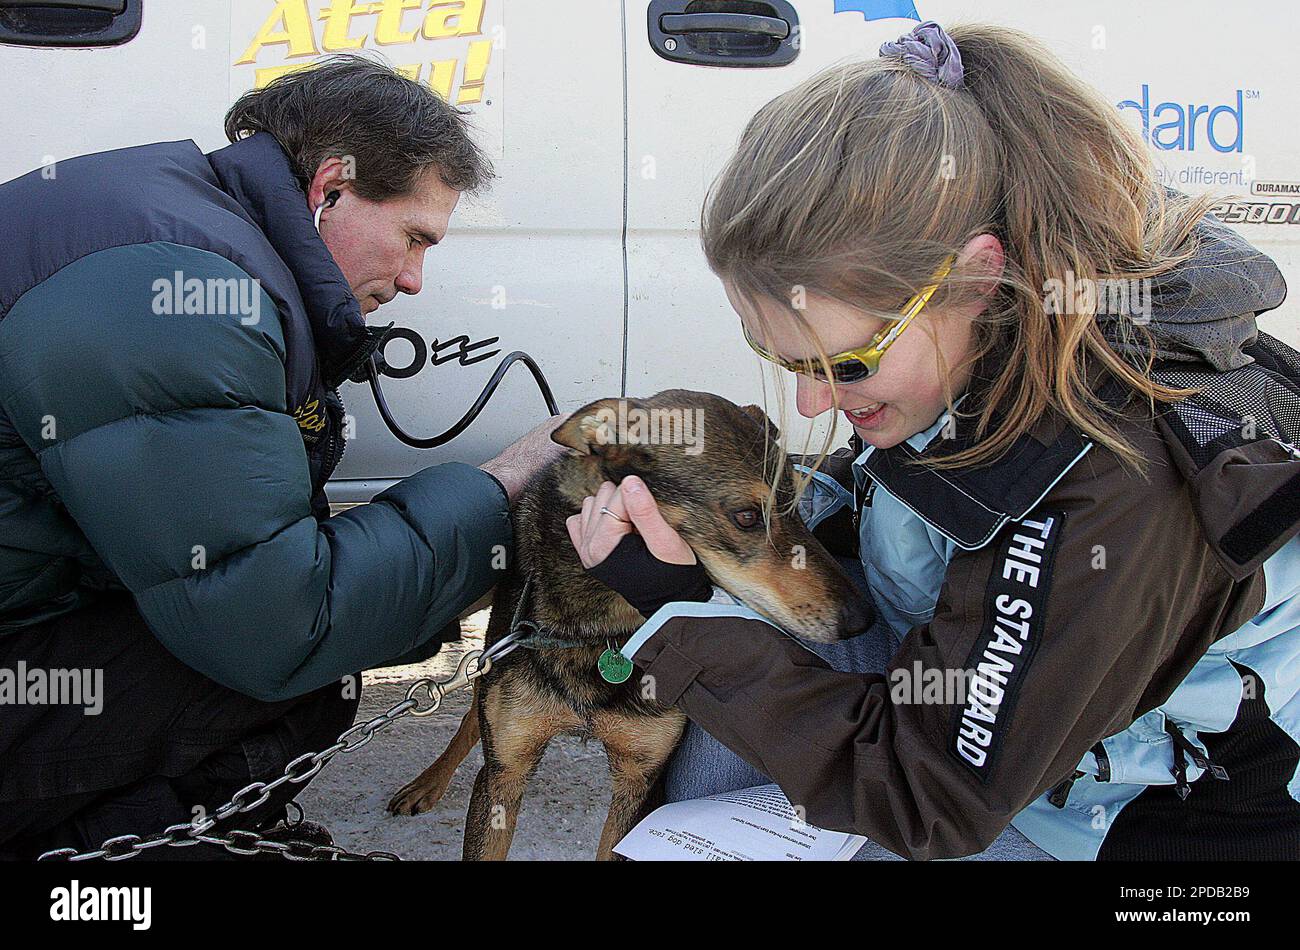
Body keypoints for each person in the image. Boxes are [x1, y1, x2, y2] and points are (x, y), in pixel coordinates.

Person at [568, 22, 1300, 860]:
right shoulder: (988, 348)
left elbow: (930, 804)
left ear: (976, 279)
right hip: (1025, 754)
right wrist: (714, 568)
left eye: (844, 362)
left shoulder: (1115, 484)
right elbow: (888, 524)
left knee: (724, 672)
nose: (812, 398)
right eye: (774, 353)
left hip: (1154, 831)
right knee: (724, 713)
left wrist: (678, 613)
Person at [0, 56, 563, 859]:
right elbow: (278, 623)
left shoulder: (172, 221)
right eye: (412, 238)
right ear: (330, 186)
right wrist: (504, 490)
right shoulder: (175, 292)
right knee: (298, 679)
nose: (412, 280)